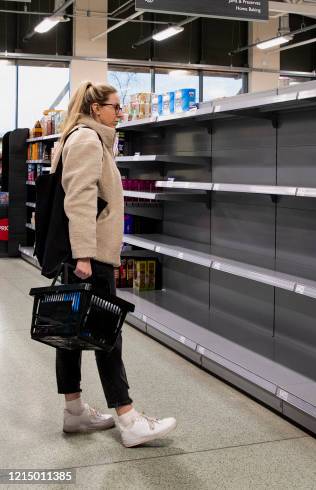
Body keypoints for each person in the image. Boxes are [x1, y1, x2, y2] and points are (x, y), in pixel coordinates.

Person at [50, 81, 176, 447]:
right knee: (108, 336)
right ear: (96, 109)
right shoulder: (88, 140)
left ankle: (74, 412)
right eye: (115, 106)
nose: (120, 113)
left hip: (81, 255)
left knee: (71, 334)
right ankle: (129, 419)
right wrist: (85, 255)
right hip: (91, 257)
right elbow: (80, 200)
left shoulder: (85, 138)